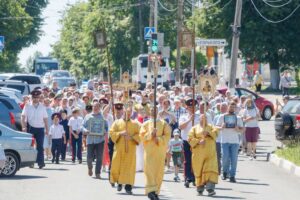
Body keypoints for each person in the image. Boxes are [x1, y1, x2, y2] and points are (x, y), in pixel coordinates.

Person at [140, 106, 171, 200]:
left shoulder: (164, 123)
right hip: (149, 151)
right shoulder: (145, 124)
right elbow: (141, 136)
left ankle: (156, 191)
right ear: (149, 112)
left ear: (158, 111)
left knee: (158, 171)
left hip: (159, 151)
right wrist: (150, 134)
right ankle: (150, 191)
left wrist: (158, 138)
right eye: (152, 110)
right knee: (149, 170)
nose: (153, 112)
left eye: (155, 110)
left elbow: (168, 135)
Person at [109, 106, 140, 195]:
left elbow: (140, 135)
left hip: (130, 150)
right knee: (118, 166)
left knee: (129, 168)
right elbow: (111, 132)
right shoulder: (117, 122)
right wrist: (120, 133)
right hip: (119, 149)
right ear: (123, 113)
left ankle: (128, 187)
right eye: (126, 113)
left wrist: (131, 137)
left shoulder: (135, 124)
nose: (128, 114)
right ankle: (119, 182)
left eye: (130, 113)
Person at [188, 114, 219, 196]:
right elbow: (190, 139)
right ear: (199, 119)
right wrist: (198, 141)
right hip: (198, 155)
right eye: (202, 118)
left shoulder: (211, 127)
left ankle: (210, 188)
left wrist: (208, 133)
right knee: (199, 170)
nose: (204, 119)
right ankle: (200, 188)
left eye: (205, 118)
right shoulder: (194, 128)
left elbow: (216, 134)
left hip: (210, 153)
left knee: (210, 168)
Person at [217, 101, 244, 183]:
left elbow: (242, 129)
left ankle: (232, 175)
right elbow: (216, 126)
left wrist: (238, 129)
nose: (232, 108)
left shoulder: (238, 118)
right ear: (228, 107)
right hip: (225, 140)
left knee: (234, 159)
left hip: (234, 142)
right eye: (230, 107)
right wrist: (221, 127)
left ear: (235, 108)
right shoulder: (222, 116)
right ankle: (225, 172)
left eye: (233, 107)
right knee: (225, 158)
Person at [21, 90, 49, 169]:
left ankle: (41, 163)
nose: (35, 99)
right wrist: (23, 127)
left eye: (37, 97)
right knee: (31, 146)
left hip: (40, 128)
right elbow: (23, 117)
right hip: (31, 127)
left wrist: (47, 129)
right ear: (32, 97)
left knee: (40, 146)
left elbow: (45, 118)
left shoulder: (42, 106)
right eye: (34, 97)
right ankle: (31, 162)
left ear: (39, 97)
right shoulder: (27, 106)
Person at [83, 102, 108, 179]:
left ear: (99, 108)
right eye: (94, 106)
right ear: (92, 107)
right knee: (89, 157)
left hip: (100, 140)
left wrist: (104, 131)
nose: (95, 108)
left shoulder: (103, 117)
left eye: (97, 106)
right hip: (90, 140)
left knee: (99, 157)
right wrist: (85, 130)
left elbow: (106, 127)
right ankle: (90, 167)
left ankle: (97, 173)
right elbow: (82, 126)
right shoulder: (87, 116)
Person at [179, 98, 199, 188]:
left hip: (196, 141)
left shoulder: (199, 117)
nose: (192, 109)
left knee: (196, 159)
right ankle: (187, 177)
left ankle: (195, 177)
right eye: (190, 107)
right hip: (187, 140)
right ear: (187, 108)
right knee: (187, 160)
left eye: (194, 107)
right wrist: (189, 120)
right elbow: (181, 127)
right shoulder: (183, 116)